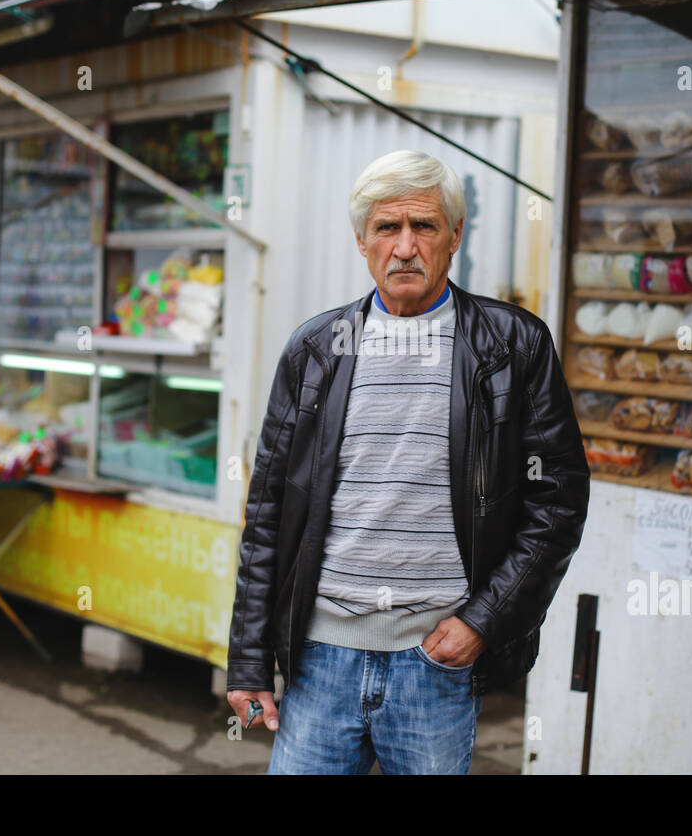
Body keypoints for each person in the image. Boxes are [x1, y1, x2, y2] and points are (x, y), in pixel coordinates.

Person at [225, 149, 590, 774]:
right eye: (386, 228)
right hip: (320, 658)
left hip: (437, 661)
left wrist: (484, 619)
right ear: (362, 242)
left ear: (454, 237)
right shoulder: (315, 350)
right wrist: (250, 661)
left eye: (423, 226)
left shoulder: (511, 346)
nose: (404, 247)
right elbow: (267, 518)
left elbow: (556, 503)